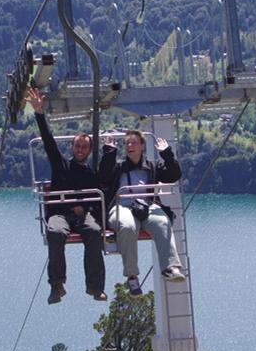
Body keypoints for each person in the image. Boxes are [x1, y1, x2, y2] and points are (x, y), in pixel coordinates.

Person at [27, 87, 106, 304]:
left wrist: (85, 209)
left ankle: (95, 287)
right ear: (72, 147)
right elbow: (48, 140)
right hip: (60, 214)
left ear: (89, 151)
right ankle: (57, 285)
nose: (80, 150)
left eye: (84, 147)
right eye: (77, 146)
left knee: (94, 231)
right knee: (55, 232)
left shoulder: (91, 174)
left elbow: (96, 198)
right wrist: (39, 112)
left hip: (83, 216)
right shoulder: (61, 165)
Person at [99, 130, 185, 296]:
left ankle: (170, 267)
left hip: (147, 205)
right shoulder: (118, 167)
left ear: (142, 146)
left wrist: (166, 154)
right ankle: (132, 276)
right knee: (127, 226)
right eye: (127, 143)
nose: (130, 146)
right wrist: (109, 153)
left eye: (134, 143)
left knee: (163, 222)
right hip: (121, 206)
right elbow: (103, 176)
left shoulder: (152, 167)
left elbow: (174, 175)